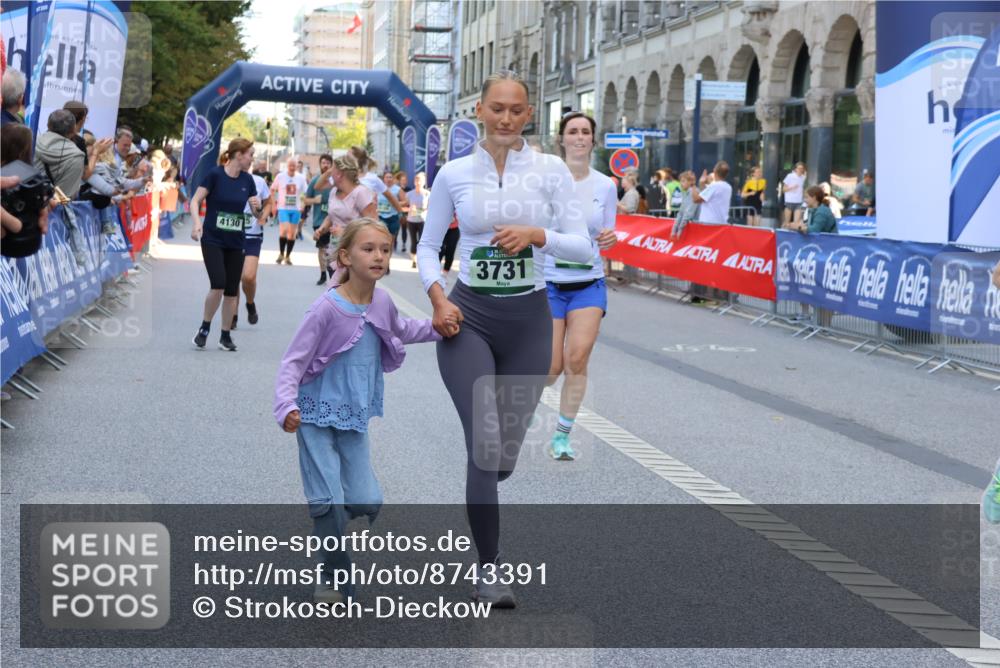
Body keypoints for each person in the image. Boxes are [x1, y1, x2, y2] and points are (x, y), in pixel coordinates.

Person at [416, 70, 591, 607]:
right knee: (484, 445)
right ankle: (489, 569)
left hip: (529, 321)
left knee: (505, 457)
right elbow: (426, 247)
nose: (506, 118)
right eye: (497, 108)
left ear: (529, 115)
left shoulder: (550, 171)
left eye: (517, 109)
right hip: (467, 318)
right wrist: (438, 297)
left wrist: (538, 235)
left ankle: (494, 475)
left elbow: (583, 249)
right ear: (480, 110)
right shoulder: (454, 173)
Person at [273, 218, 440, 604]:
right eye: (369, 249)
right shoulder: (325, 309)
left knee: (366, 499)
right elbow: (292, 363)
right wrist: (286, 405)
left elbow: (401, 329)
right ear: (345, 256)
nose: (379, 256)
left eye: (384, 248)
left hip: (354, 416)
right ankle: (330, 573)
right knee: (329, 498)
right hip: (312, 414)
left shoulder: (381, 301)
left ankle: (327, 526)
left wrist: (439, 327)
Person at [544, 111, 618, 460]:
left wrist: (609, 238)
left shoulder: (606, 185)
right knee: (550, 367)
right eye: (572, 131)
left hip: (588, 281)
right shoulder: (544, 179)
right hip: (548, 281)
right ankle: (527, 401)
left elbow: (608, 234)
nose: (578, 137)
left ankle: (562, 435)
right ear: (561, 139)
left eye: (585, 132)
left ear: (592, 139)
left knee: (577, 358)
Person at [189, 138, 261, 351]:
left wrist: (257, 207)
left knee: (231, 289)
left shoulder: (248, 180)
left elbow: (257, 213)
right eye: (250, 154)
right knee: (218, 283)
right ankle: (204, 328)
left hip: (236, 241)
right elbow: (195, 200)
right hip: (212, 239)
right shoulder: (215, 175)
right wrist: (196, 224)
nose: (251, 159)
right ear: (239, 155)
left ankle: (225, 335)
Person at [312, 154, 378, 277]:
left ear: (339, 174)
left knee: (344, 294)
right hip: (335, 253)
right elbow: (332, 216)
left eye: (333, 170)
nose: (330, 173)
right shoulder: (333, 192)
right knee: (334, 291)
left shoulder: (360, 193)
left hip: (354, 258)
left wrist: (345, 233)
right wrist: (322, 229)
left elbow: (373, 227)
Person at [235, 158, 273, 330]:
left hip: (252, 234)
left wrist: (263, 215)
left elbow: (269, 202)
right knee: (233, 279)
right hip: (232, 234)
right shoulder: (226, 181)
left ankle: (250, 303)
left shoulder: (258, 182)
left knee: (248, 277)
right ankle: (232, 315)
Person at [33, 109, 85, 199]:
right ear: (73, 130)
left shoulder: (32, 141)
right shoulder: (76, 156)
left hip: (23, 204)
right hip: (51, 209)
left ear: (48, 125)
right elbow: (64, 197)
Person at [304, 153, 335, 285]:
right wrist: (314, 200)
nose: (326, 165)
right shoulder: (315, 181)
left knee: (332, 249)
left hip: (335, 221)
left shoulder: (335, 182)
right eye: (323, 163)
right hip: (319, 221)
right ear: (320, 164)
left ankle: (332, 273)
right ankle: (323, 273)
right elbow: (305, 200)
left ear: (331, 165)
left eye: (328, 163)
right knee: (322, 249)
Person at [272, 155, 307, 264]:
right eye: (290, 165)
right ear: (287, 165)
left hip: (295, 209)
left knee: (292, 234)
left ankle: (287, 256)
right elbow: (272, 190)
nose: (292, 167)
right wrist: (273, 204)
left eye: (294, 165)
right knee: (285, 229)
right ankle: (281, 253)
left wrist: (303, 204)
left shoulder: (301, 178)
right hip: (283, 208)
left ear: (297, 166)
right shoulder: (280, 176)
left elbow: (305, 193)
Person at [693, 160, 733, 225]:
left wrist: (692, 185)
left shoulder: (714, 186)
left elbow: (696, 199)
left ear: (714, 170)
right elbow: (708, 197)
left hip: (709, 223)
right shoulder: (728, 187)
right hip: (721, 223)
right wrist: (702, 184)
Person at [376, 171, 401, 274]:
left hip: (393, 217)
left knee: (390, 242)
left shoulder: (397, 189)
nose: (389, 179)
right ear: (384, 179)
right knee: (381, 241)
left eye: (391, 177)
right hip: (381, 217)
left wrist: (394, 202)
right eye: (387, 177)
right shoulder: (378, 189)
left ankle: (387, 263)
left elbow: (406, 201)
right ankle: (381, 261)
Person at [406, 171, 429, 268]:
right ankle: (414, 261)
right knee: (413, 241)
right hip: (411, 220)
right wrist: (409, 209)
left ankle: (421, 260)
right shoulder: (409, 194)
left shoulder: (428, 194)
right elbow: (404, 206)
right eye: (416, 180)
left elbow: (431, 207)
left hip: (422, 221)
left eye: (420, 180)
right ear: (414, 182)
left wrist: (424, 210)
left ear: (424, 182)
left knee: (422, 242)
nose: (418, 182)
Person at [670, 170, 700, 239]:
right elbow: (681, 212)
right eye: (680, 181)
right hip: (692, 226)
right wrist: (674, 230)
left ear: (690, 182)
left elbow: (688, 213)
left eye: (683, 181)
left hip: (696, 226)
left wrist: (679, 230)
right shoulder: (686, 193)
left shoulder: (693, 192)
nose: (681, 183)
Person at [782, 162, 807, 227]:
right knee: (787, 223)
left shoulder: (803, 177)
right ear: (795, 169)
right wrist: (792, 187)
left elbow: (802, 188)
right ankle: (784, 234)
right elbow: (784, 189)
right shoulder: (790, 176)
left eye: (802, 169)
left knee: (796, 223)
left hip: (798, 202)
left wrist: (805, 197)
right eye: (799, 168)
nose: (800, 170)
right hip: (789, 201)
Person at [395, 171, 410, 250]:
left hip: (405, 212)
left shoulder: (409, 189)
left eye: (405, 180)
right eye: (402, 180)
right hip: (397, 211)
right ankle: (395, 243)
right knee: (396, 229)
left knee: (404, 229)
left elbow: (409, 202)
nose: (404, 181)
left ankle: (404, 244)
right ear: (399, 180)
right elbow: (394, 201)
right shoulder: (396, 189)